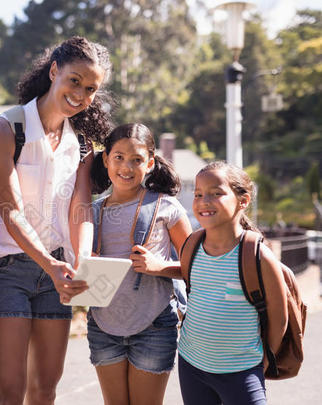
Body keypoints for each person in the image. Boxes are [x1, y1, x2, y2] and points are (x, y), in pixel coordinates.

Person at [0, 36, 113, 405]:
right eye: (74, 80)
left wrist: (80, 260)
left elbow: (81, 207)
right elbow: (9, 210)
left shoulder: (81, 142)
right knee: (9, 391)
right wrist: (50, 264)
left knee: (45, 390)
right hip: (6, 270)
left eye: (90, 89)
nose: (81, 95)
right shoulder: (6, 128)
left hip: (57, 276)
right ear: (54, 71)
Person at [85, 123, 192, 405]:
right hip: (103, 326)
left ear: (150, 163)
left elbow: (195, 265)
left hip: (154, 326)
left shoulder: (166, 207)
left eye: (137, 160)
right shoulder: (91, 212)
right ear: (106, 159)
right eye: (118, 157)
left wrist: (161, 267)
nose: (126, 167)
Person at [178, 161, 288, 405]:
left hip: (243, 371)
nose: (204, 200)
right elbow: (192, 282)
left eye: (216, 193)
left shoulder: (258, 255)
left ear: (243, 201)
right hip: (191, 365)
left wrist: (265, 359)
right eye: (198, 194)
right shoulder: (192, 246)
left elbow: (280, 317)